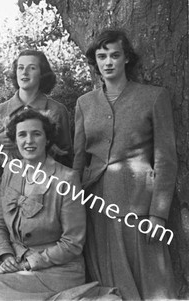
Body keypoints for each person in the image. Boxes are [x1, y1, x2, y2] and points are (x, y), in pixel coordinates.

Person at [74, 29, 178, 299]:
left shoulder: (154, 97)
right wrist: (72, 206)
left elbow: (165, 159)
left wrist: (158, 214)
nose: (108, 62)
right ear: (94, 62)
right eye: (101, 56)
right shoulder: (84, 103)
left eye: (114, 55)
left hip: (138, 206)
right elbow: (78, 159)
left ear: (126, 59)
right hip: (95, 205)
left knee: (150, 281)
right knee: (106, 283)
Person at [0, 109, 87, 301]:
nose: (28, 141)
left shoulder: (67, 179)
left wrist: (29, 263)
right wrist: (5, 255)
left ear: (47, 139)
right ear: (15, 140)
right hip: (14, 262)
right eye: (22, 134)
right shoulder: (11, 172)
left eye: (36, 134)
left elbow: (73, 243)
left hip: (56, 271)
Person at [0, 50, 73, 169]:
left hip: (45, 181)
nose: (24, 72)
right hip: (5, 183)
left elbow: (65, 156)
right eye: (20, 68)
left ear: (42, 73)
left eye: (32, 68)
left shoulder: (57, 110)